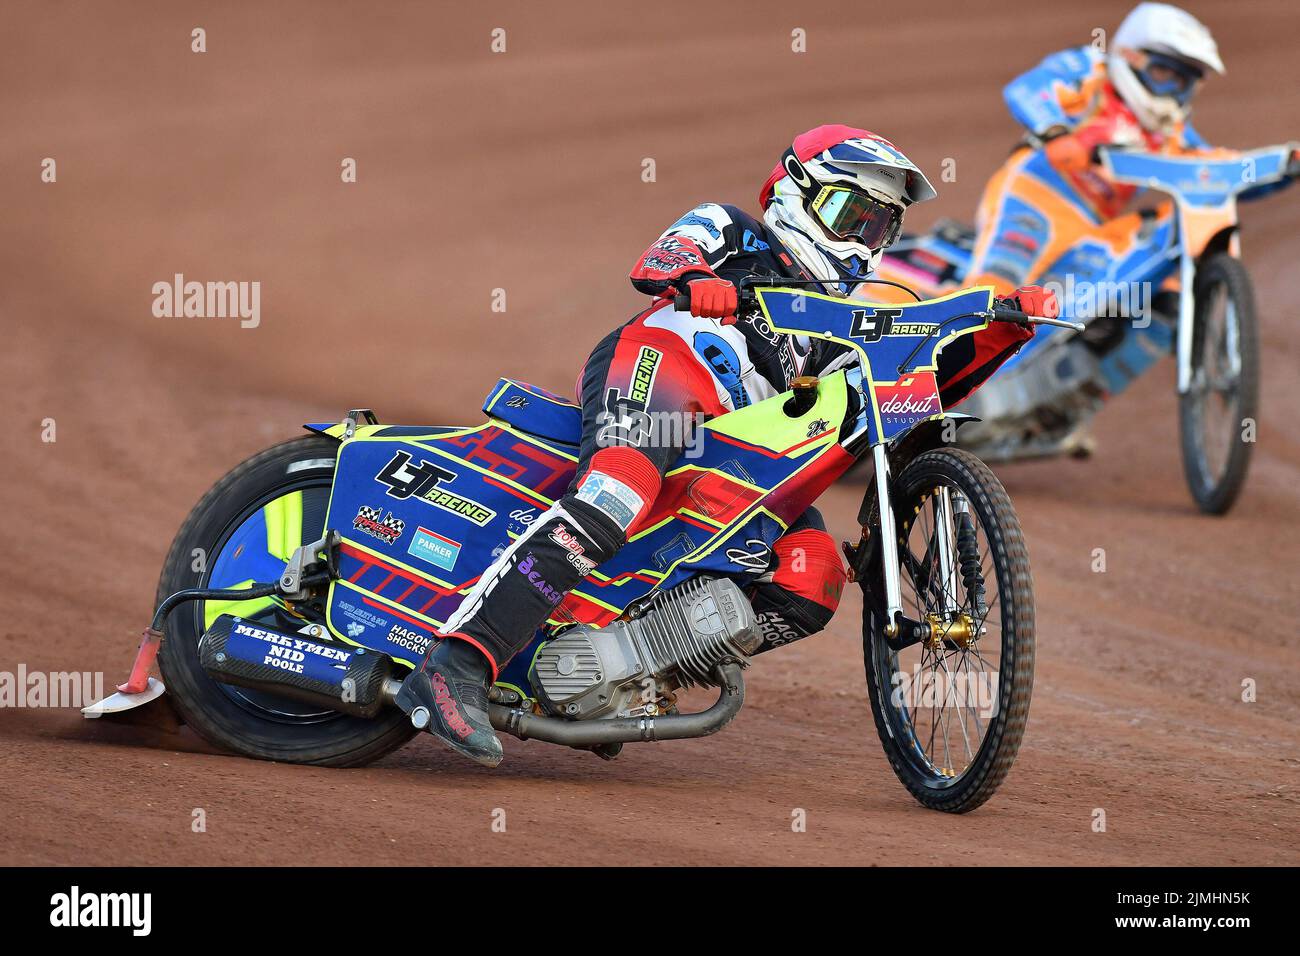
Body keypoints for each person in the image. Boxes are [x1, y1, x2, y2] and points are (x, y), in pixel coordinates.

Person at [396, 125, 1056, 766]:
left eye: (878, 225)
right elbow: (660, 260)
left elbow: (932, 381)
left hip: (734, 449)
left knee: (814, 573)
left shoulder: (848, 319)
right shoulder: (734, 228)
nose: (862, 241)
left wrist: (1003, 329)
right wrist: (698, 279)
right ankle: (455, 664)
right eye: (850, 212)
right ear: (796, 191)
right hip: (662, 368)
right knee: (618, 490)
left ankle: (614, 673)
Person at [968, 2, 1229, 293]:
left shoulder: (1171, 132)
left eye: (1183, 82)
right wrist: (1056, 133)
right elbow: (1026, 89)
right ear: (1131, 56)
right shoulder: (1091, 70)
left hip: (1094, 229)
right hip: (1033, 200)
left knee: (1153, 301)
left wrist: (1278, 168)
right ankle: (959, 332)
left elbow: (1213, 168)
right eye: (1163, 74)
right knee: (996, 287)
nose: (1171, 91)